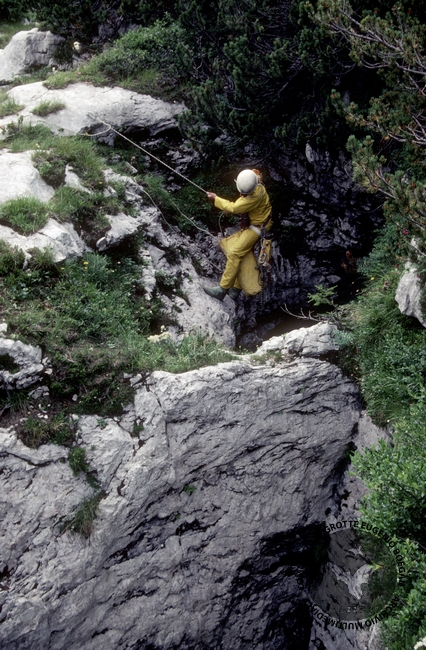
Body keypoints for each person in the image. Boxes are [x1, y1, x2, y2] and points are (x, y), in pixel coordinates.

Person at [203, 169, 272, 301]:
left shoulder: (252, 198)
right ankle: (235, 289)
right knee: (242, 253)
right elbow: (252, 177)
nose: (241, 194)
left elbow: (234, 207)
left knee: (235, 253)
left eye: (243, 193)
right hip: (263, 222)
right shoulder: (256, 181)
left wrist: (215, 198)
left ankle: (222, 289)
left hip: (258, 227)